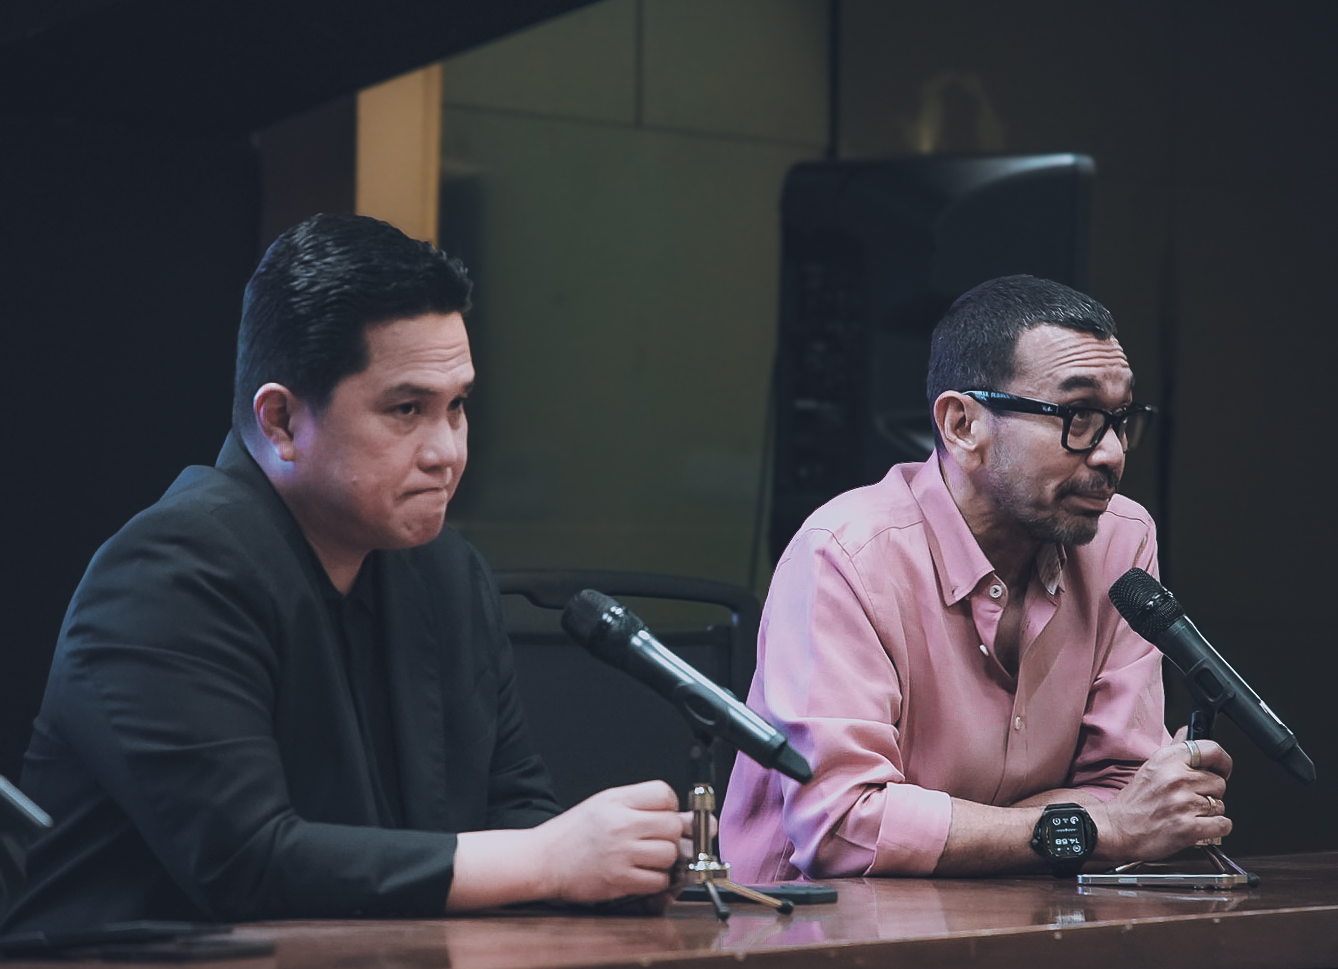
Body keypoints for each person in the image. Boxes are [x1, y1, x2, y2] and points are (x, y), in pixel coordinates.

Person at [2, 214, 690, 932]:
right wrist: (547, 861)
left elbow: (513, 811)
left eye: (457, 406)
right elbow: (247, 862)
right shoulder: (166, 573)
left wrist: (605, 872)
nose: (447, 451)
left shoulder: (446, 574)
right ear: (281, 422)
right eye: (407, 409)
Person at [720, 275, 1232, 881]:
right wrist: (1095, 829)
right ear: (962, 425)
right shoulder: (846, 555)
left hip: (1019, 913)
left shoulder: (1119, 538)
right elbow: (842, 828)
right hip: (813, 923)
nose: (1112, 453)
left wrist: (996, 833)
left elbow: (1127, 786)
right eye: (1078, 416)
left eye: (1120, 419)